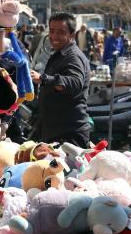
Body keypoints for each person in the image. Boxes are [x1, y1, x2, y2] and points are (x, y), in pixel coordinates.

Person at [30, 12, 91, 148]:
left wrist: (43, 79)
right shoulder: (60, 53)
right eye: (52, 31)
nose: (54, 36)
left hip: (68, 135)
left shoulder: (73, 56)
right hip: (53, 131)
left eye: (61, 32)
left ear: (72, 35)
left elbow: (74, 83)